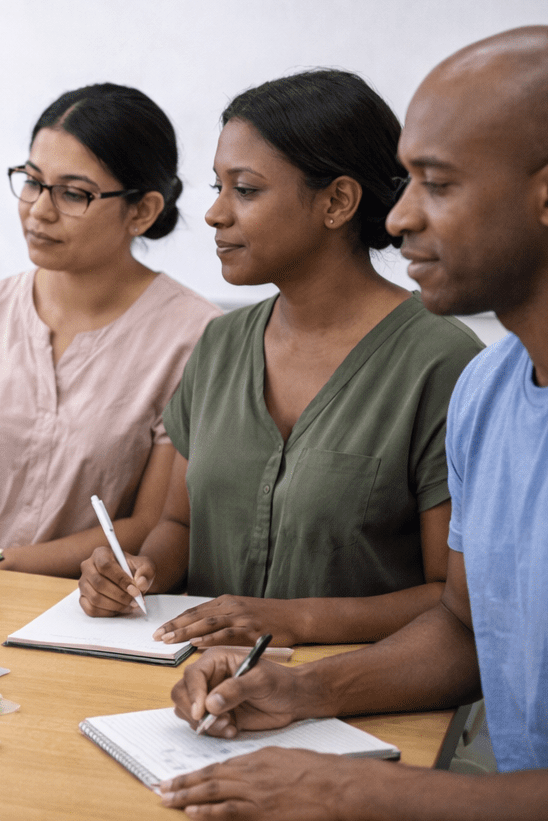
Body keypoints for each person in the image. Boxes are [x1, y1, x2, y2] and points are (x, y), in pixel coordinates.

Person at [159, 26, 548, 818]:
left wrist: (350, 787)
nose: (400, 217)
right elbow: (460, 627)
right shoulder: (488, 388)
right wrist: (301, 689)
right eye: (405, 182)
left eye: (436, 184)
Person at [79, 70, 484, 650]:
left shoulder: (441, 362)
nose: (216, 214)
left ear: (338, 201)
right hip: (200, 688)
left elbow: (450, 597)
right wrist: (136, 572)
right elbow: (179, 526)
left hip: (364, 701)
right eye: (217, 187)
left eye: (244, 190)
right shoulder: (220, 345)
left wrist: (295, 621)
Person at [0, 84, 221, 576]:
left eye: (72, 194)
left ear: (142, 210)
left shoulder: (196, 337)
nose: (39, 210)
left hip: (87, 617)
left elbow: (150, 526)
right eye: (31, 181)